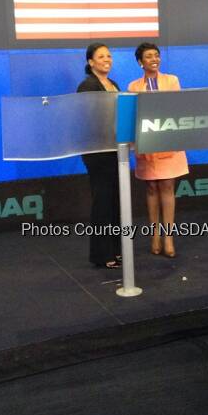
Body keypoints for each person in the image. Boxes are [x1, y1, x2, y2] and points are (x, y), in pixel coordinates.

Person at [128, 43, 189, 258]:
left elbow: (176, 108)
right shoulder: (134, 86)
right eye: (148, 56)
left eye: (156, 55)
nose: (154, 59)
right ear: (140, 62)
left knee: (167, 185)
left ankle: (168, 238)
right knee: (151, 188)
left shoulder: (171, 80)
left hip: (168, 141)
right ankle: (154, 236)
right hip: (146, 143)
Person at [77, 43, 121, 269]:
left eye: (109, 55)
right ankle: (101, 254)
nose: (107, 59)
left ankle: (115, 249)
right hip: (97, 152)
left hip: (115, 150)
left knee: (115, 200)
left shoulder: (113, 84)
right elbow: (88, 119)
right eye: (101, 56)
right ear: (90, 62)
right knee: (102, 201)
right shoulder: (87, 86)